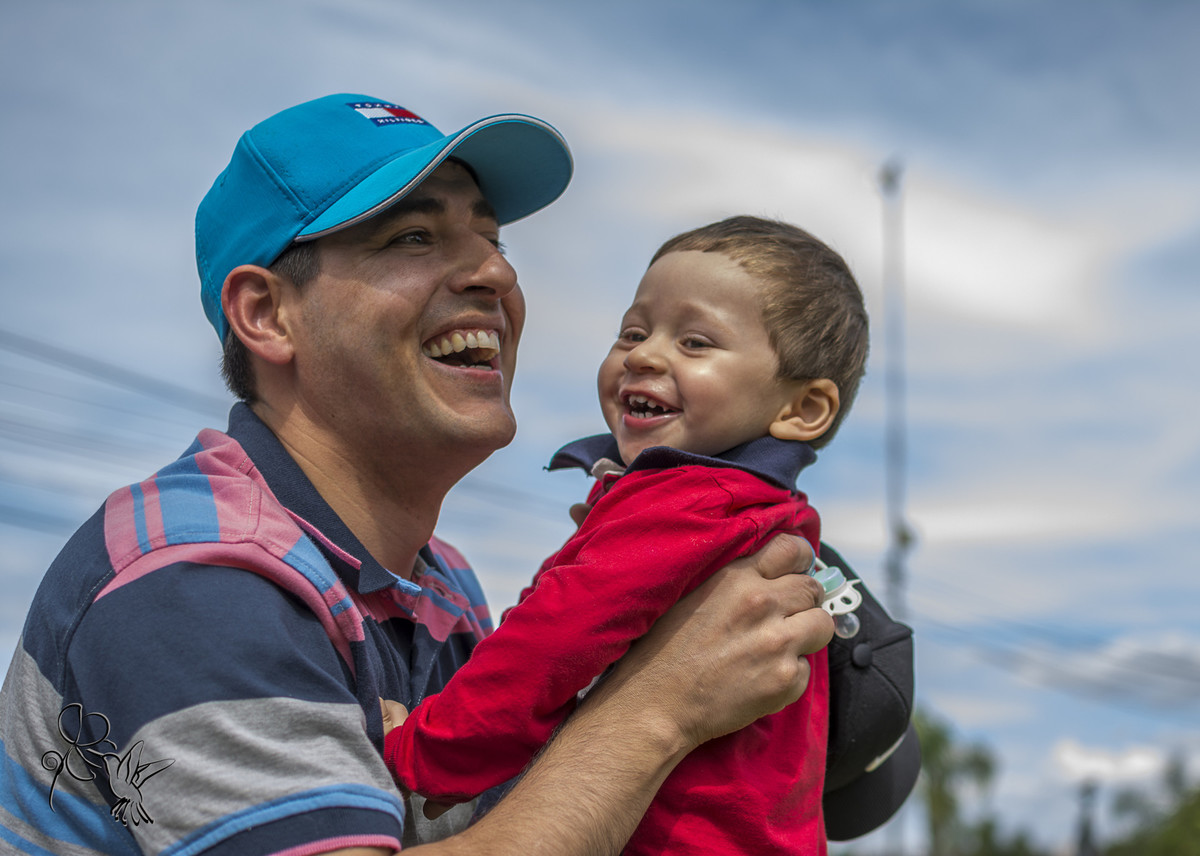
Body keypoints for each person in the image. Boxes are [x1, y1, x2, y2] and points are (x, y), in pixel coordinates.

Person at [0, 94, 835, 856]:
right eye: (412, 237)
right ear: (266, 313)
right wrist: (660, 709)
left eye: (493, 241)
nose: (497, 274)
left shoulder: (444, 590)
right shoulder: (194, 577)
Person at [384, 216, 869, 854]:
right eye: (633, 332)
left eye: (695, 342)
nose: (643, 355)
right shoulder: (763, 513)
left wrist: (430, 749)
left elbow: (553, 638)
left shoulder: (690, 500)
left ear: (802, 409)